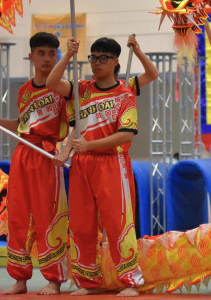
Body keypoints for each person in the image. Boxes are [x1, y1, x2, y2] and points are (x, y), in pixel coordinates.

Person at [0, 31, 71, 296]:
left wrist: (67, 151)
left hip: (47, 155)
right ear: (31, 56)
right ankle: (20, 277)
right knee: (18, 216)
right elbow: (22, 126)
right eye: (41, 53)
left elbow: (74, 124)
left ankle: (54, 279)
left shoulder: (63, 89)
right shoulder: (24, 90)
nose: (47, 58)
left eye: (52, 53)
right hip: (22, 155)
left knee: (48, 216)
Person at [49, 37, 142, 297]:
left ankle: (130, 281)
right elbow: (52, 83)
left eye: (103, 58)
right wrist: (68, 55)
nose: (96, 62)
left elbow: (126, 135)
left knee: (117, 222)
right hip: (82, 164)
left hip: (112, 163)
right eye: (93, 57)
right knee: (81, 224)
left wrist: (90, 145)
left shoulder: (125, 94)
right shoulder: (81, 90)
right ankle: (88, 281)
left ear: (115, 61)